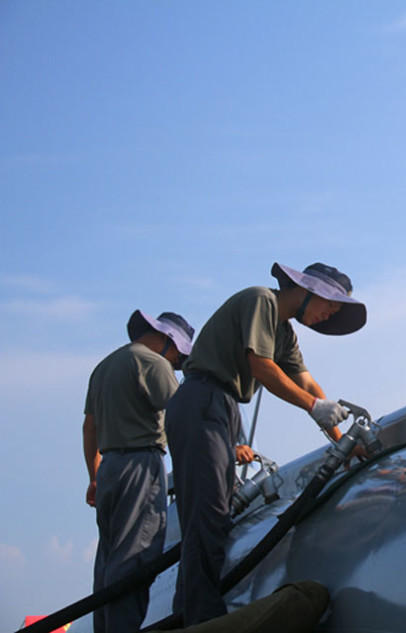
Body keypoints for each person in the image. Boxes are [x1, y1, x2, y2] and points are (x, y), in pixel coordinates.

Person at [165, 261, 367, 625]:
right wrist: (314, 407)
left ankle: (190, 614)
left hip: (222, 408)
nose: (327, 316)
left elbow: (307, 384)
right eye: (329, 306)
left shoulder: (285, 333)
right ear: (307, 291)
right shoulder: (262, 301)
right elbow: (261, 366)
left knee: (215, 517)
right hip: (202, 400)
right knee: (207, 517)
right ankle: (201, 619)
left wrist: (344, 443)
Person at [83, 309, 195, 633]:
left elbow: (89, 427)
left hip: (109, 469)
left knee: (109, 561)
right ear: (166, 339)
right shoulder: (153, 363)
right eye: (178, 355)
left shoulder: (104, 367)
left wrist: (94, 475)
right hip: (141, 466)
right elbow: (182, 415)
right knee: (135, 558)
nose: (176, 363)